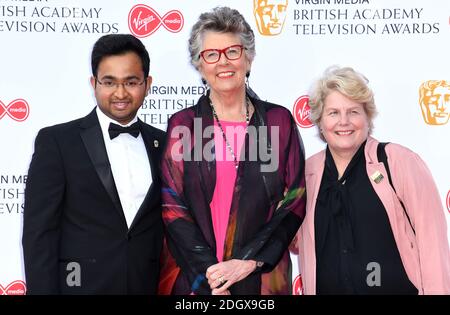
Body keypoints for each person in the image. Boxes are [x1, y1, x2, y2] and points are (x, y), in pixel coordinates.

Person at [159, 7, 306, 295]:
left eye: (233, 51)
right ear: (199, 65)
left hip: (263, 278)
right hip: (196, 281)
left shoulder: (278, 122)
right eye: (211, 54)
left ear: (248, 58)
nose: (223, 62)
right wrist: (211, 275)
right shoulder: (184, 125)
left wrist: (247, 262)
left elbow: (294, 200)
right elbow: (171, 204)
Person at [22, 34, 165, 294]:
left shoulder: (164, 143)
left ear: (147, 84)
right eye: (109, 82)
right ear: (93, 83)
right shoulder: (57, 142)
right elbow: (39, 236)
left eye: (131, 82)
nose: (120, 93)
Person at [296, 66, 450, 294]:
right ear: (319, 121)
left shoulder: (398, 162)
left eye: (354, 112)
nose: (344, 121)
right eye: (334, 113)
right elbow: (290, 238)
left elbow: (432, 241)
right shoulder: (306, 173)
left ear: (368, 117)